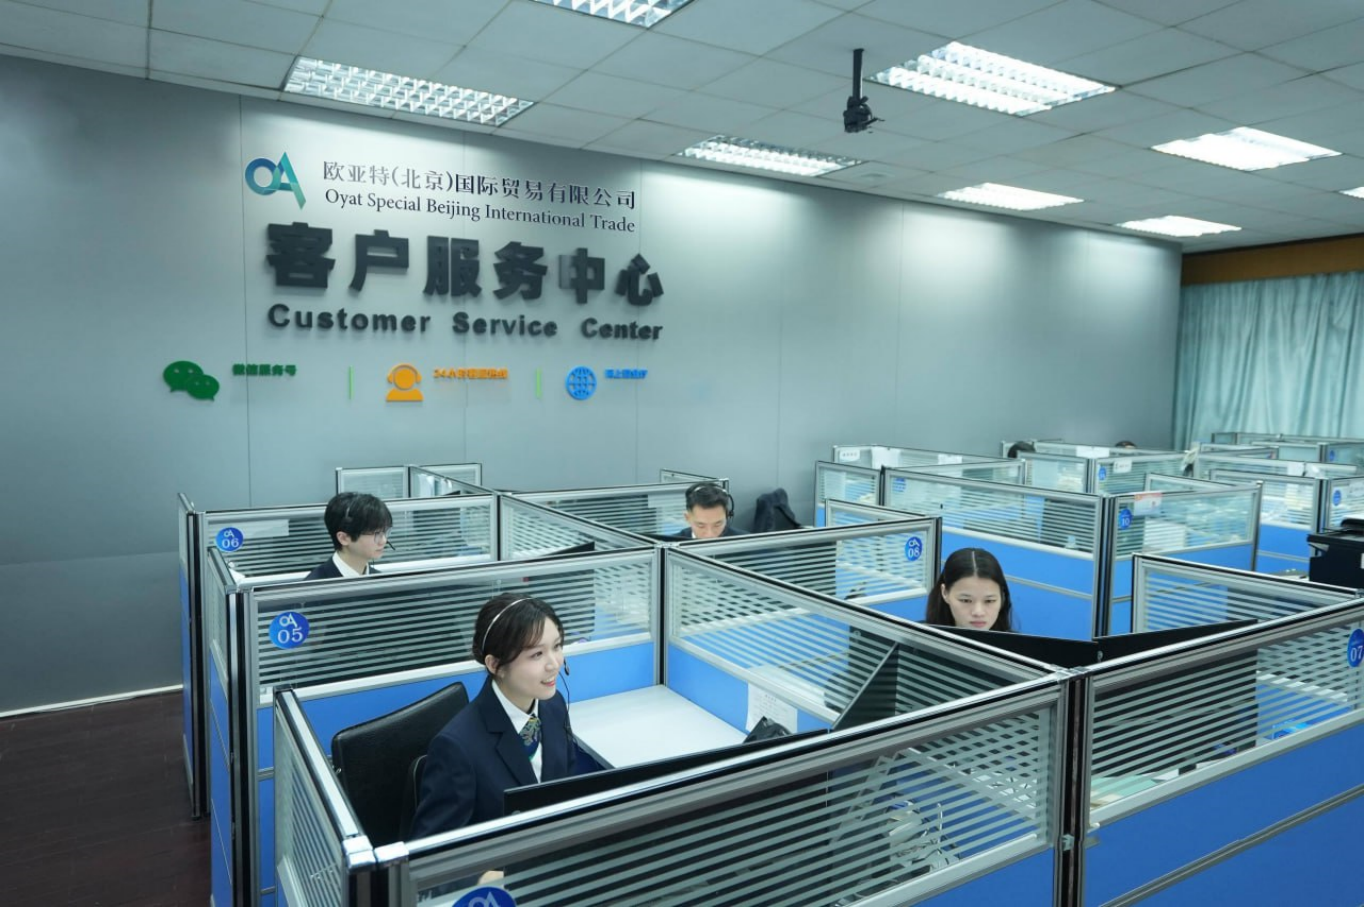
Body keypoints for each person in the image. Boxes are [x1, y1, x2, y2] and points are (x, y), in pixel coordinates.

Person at [409, 593, 576, 837]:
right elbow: (432, 851)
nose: (554, 664)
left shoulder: (554, 706)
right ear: (495, 665)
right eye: (537, 654)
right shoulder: (457, 748)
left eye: (557, 646)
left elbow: (567, 788)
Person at [305, 492, 393, 579]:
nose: (383, 541)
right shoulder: (315, 585)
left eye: (384, 532)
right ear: (344, 538)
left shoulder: (381, 580)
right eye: (375, 534)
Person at [924, 548, 1015, 632]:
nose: (978, 612)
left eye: (989, 601)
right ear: (945, 593)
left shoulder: (1016, 644)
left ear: (1002, 597)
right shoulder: (919, 637)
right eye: (966, 600)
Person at [675, 482, 743, 539]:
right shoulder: (671, 544)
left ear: (726, 516)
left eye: (718, 524)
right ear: (687, 518)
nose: (709, 535)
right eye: (701, 525)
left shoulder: (745, 542)